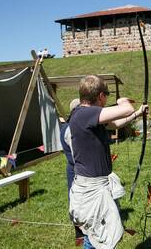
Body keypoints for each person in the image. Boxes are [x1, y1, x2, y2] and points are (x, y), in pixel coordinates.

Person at [68, 75, 148, 249]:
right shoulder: (85, 113)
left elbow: (115, 123)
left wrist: (138, 113)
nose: (107, 100)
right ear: (101, 96)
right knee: (97, 235)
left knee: (100, 233)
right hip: (92, 189)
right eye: (107, 96)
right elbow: (125, 109)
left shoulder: (86, 116)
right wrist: (122, 101)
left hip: (99, 186)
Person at [60, 98, 84, 246]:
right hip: (76, 170)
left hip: (79, 169)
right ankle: (79, 234)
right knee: (76, 202)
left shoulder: (76, 126)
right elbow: (77, 155)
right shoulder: (69, 129)